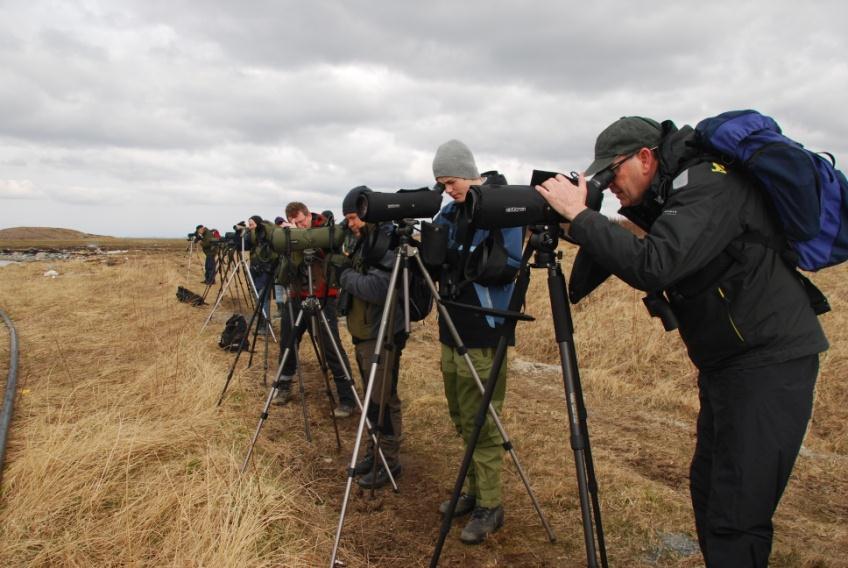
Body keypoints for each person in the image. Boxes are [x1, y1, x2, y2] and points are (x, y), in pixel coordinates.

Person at [535, 116, 829, 567]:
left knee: (737, 512)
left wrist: (581, 214)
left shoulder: (709, 186)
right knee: (710, 492)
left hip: (769, 360)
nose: (609, 185)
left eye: (611, 173)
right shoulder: (673, 193)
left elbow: (654, 264)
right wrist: (580, 218)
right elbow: (644, 249)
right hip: (729, 363)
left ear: (646, 157)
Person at [431, 140, 523, 544]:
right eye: (441, 184)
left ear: (469, 172)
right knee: (460, 415)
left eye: (450, 181)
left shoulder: (502, 206)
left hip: (485, 327)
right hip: (451, 324)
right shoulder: (449, 211)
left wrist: (463, 256)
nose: (447, 190)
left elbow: (510, 265)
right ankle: (472, 490)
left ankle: (491, 505)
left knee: (483, 420)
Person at [332, 185, 407, 489]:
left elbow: (379, 289)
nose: (350, 224)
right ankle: (372, 452)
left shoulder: (385, 242)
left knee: (383, 400)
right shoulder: (364, 240)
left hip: (383, 332)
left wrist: (345, 275)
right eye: (347, 219)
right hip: (366, 331)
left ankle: (388, 462)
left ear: (367, 213)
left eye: (353, 217)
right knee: (372, 399)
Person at [275, 201, 357, 419]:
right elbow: (284, 271)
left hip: (324, 296)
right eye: (295, 224)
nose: (300, 226)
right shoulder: (291, 234)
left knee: (331, 347)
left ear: (308, 214)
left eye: (301, 221)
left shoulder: (327, 228)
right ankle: (283, 386)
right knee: (287, 342)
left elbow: (338, 250)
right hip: (296, 295)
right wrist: (289, 240)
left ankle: (347, 397)